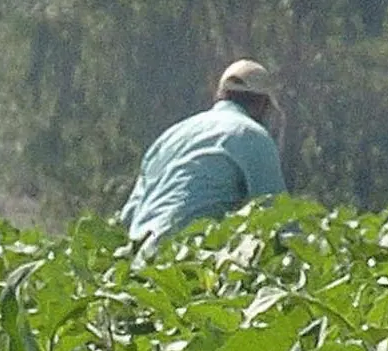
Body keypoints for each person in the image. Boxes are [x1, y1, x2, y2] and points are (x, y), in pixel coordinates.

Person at [120, 59, 287, 251]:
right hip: (191, 257)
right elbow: (278, 217)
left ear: (220, 95)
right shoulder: (253, 136)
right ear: (263, 104)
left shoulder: (171, 136)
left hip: (141, 258)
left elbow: (129, 216)